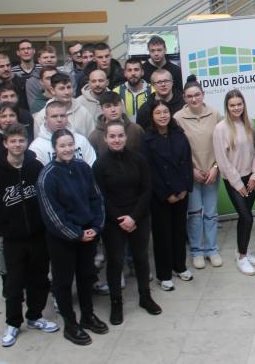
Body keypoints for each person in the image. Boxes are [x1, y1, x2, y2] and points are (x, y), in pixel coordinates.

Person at [0, 123, 59, 347]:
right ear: (5, 143)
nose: (17, 144)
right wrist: (1, 227)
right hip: (12, 239)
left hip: (38, 236)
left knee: (39, 279)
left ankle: (35, 316)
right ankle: (13, 322)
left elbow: (47, 196)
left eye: (21, 140)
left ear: (26, 142)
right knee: (13, 283)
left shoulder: (36, 166)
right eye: (12, 141)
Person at [36, 129, 108, 345]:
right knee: (63, 282)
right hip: (63, 240)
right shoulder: (47, 176)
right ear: (55, 148)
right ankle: (70, 323)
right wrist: (76, 235)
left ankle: (88, 316)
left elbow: (96, 199)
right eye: (62, 146)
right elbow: (52, 215)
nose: (67, 149)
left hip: (88, 234)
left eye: (70, 145)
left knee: (86, 277)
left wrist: (96, 227)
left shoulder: (83, 168)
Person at [92, 120, 162, 325]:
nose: (116, 139)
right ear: (105, 138)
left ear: (126, 137)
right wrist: (120, 219)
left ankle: (145, 297)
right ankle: (116, 304)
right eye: (112, 136)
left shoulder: (138, 160)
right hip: (114, 222)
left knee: (141, 258)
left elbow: (146, 189)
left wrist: (134, 217)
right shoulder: (99, 165)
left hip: (138, 217)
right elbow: (101, 196)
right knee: (115, 262)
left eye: (120, 135)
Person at [142, 99, 194, 291]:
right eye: (158, 113)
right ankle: (164, 274)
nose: (163, 116)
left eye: (165, 112)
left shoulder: (179, 134)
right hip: (160, 196)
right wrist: (166, 194)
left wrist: (183, 189)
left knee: (179, 231)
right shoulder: (147, 140)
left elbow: (187, 162)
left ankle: (180, 266)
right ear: (152, 116)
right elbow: (149, 171)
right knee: (162, 235)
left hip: (181, 193)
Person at [173, 82, 224, 269]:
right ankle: (197, 251)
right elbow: (177, 151)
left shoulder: (215, 114)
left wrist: (216, 168)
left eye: (197, 94)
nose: (193, 99)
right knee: (194, 214)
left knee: (210, 213)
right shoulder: (177, 118)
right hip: (191, 175)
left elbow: (222, 144)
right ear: (185, 98)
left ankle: (212, 249)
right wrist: (191, 171)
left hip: (212, 173)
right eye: (189, 96)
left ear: (203, 94)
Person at [214, 90, 255, 275]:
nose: (236, 108)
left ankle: (242, 249)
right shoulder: (220, 128)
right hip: (234, 181)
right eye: (232, 105)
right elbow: (222, 161)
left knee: (246, 217)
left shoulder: (249, 123)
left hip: (250, 178)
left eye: (239, 104)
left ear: (244, 105)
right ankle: (242, 258)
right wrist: (238, 183)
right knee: (247, 217)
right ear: (227, 106)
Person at [29, 100, 97, 166]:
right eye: (54, 116)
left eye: (62, 116)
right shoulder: (37, 147)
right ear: (46, 119)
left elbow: (92, 165)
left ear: (67, 117)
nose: (59, 120)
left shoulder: (81, 140)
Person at [0, 100, 34, 176]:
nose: (8, 120)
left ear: (17, 117)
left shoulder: (24, 135)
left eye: (12, 115)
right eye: (3, 116)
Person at [32, 73, 93, 137]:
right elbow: (39, 142)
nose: (67, 92)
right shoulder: (42, 116)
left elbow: (90, 139)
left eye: (69, 87)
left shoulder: (83, 112)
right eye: (62, 88)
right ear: (52, 90)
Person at [88, 91, 143, 158]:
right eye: (108, 106)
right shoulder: (94, 137)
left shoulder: (136, 130)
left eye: (116, 105)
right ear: (102, 109)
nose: (113, 110)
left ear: (122, 106)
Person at [113, 59, 152, 124]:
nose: (133, 73)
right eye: (129, 70)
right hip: (125, 131)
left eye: (136, 70)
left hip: (148, 131)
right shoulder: (116, 92)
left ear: (142, 72)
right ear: (125, 73)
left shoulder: (152, 91)